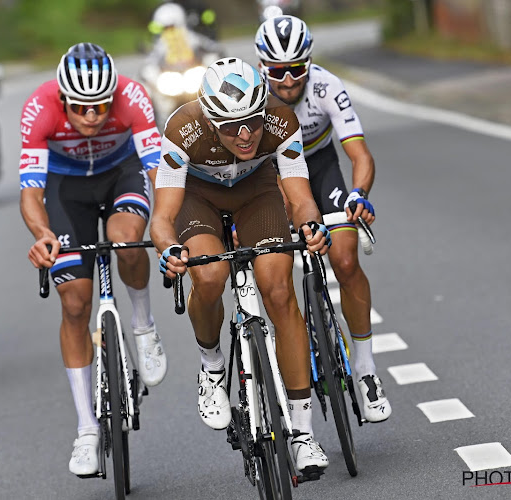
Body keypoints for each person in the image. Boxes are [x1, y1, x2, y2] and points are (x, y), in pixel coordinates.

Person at [151, 57, 331, 474]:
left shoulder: (282, 120)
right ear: (211, 121)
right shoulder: (182, 128)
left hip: (257, 193)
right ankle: (212, 362)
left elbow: (300, 197)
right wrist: (168, 249)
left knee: (279, 290)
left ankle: (303, 435)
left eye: (253, 120)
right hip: (199, 198)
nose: (246, 134)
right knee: (210, 274)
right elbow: (162, 218)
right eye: (232, 127)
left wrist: (310, 224)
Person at [19, 42, 167, 476]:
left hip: (121, 173)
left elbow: (159, 169)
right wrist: (42, 233)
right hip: (67, 190)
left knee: (126, 240)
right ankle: (87, 429)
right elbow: (30, 191)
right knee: (75, 303)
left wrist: (168, 222)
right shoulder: (39, 108)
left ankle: (143, 325)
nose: (92, 116)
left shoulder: (134, 96)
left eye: (101, 106)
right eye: (81, 108)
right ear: (63, 99)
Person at [254, 15, 392, 423]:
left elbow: (360, 154)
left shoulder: (326, 86)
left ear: (309, 62)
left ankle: (366, 370)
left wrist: (359, 193)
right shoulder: (254, 97)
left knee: (346, 260)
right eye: (277, 71)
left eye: (297, 67)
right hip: (273, 172)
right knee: (276, 274)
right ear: (263, 68)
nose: (289, 79)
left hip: (321, 164)